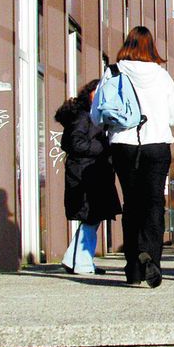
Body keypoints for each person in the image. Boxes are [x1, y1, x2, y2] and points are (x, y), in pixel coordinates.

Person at [102, 26, 174, 288]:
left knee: (132, 204)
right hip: (156, 146)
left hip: (123, 145)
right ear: (151, 47)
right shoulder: (161, 76)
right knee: (153, 204)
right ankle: (151, 256)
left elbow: (98, 112)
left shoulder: (113, 71)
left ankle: (134, 270)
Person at [55, 79, 121, 275]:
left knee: (93, 217)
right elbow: (74, 142)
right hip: (86, 174)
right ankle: (80, 261)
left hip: (91, 172)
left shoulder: (90, 116)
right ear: (90, 94)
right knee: (91, 216)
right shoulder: (83, 116)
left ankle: (77, 259)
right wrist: (104, 148)